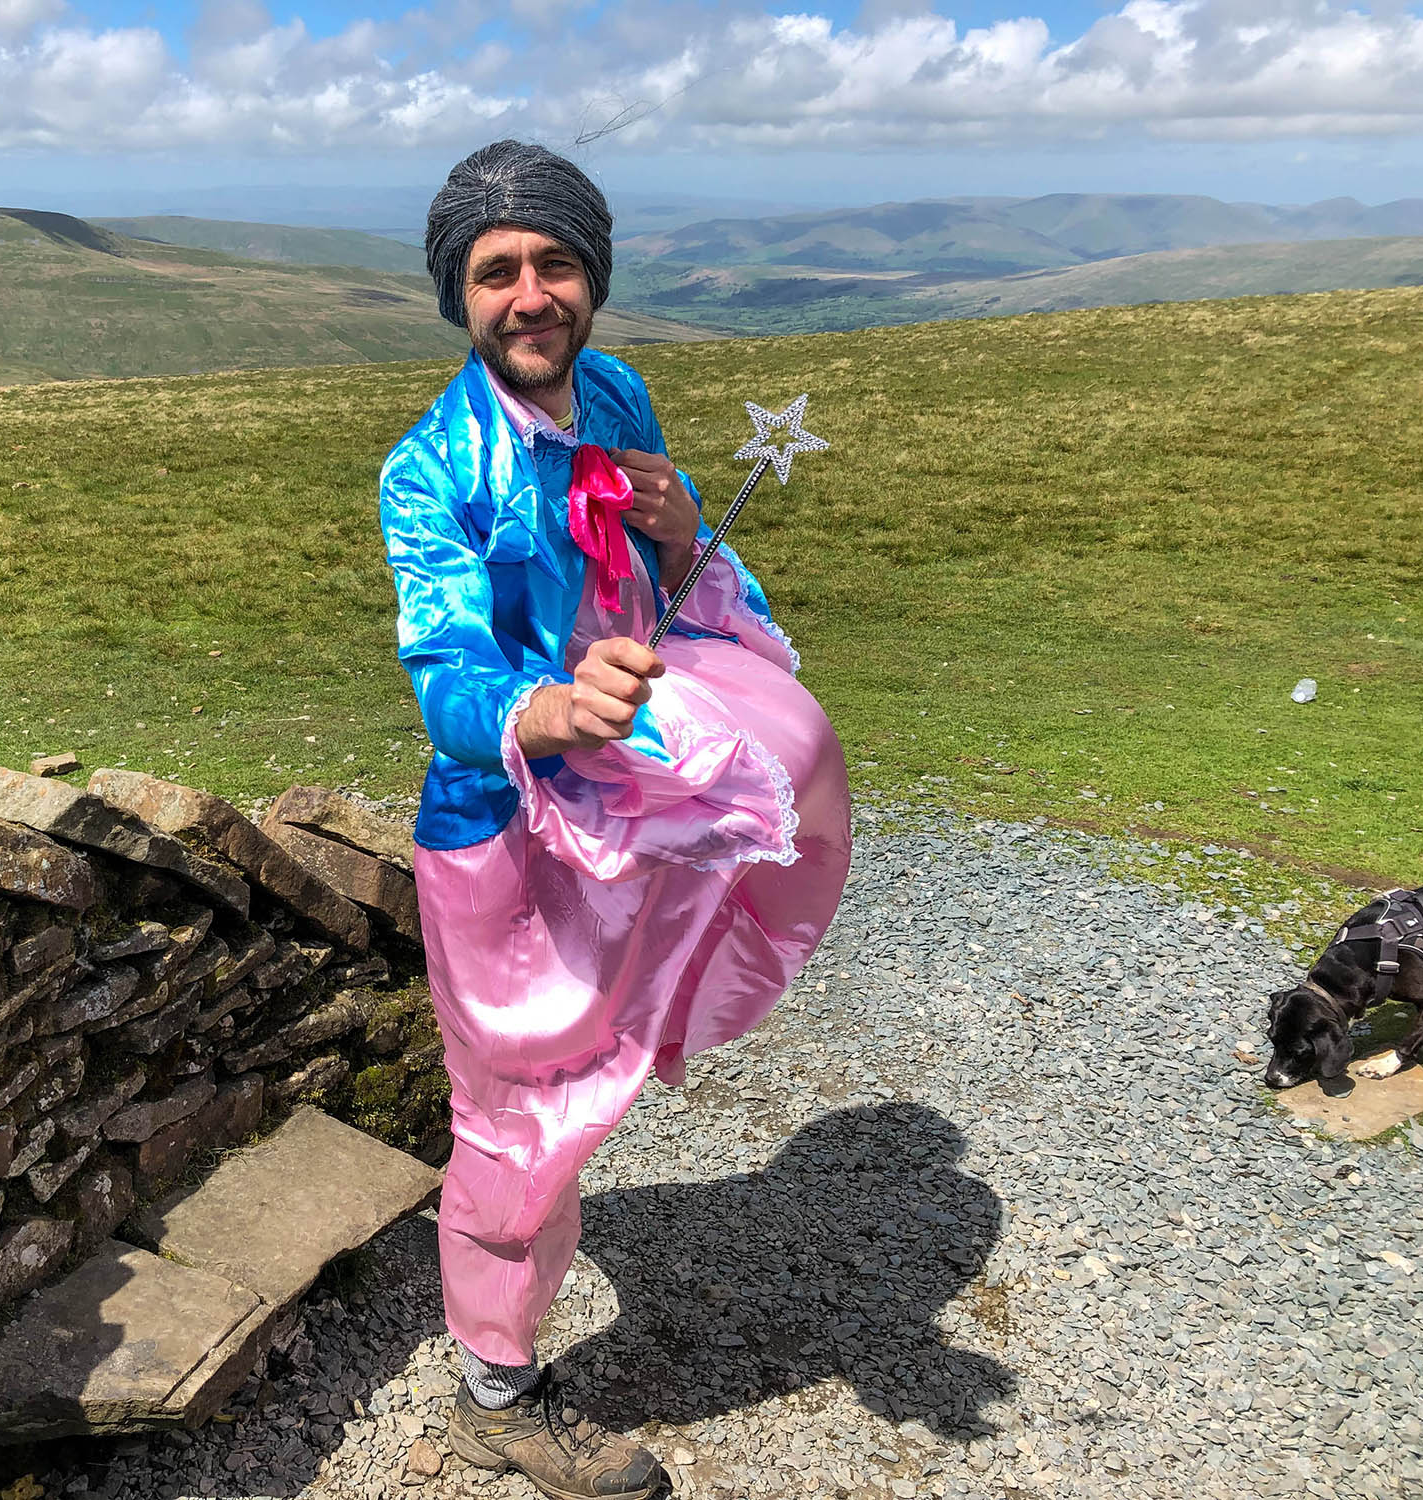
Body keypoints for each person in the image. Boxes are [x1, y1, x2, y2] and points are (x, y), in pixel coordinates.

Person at [378, 138, 853, 1499]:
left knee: (579, 1098)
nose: (530, 293)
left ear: (592, 276)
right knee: (514, 1123)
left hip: (635, 801)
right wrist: (546, 714)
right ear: (458, 296)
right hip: (507, 836)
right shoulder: (430, 472)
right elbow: (451, 678)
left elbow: (685, 570)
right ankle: (493, 1394)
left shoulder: (620, 394)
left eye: (556, 263)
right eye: (496, 271)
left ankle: (517, 1301)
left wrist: (679, 515)